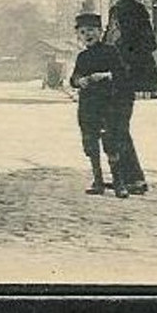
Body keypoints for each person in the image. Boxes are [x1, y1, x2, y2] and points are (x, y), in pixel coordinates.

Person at [103, 0, 154, 195]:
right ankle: (127, 177)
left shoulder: (136, 10)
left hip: (125, 76)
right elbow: (109, 41)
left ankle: (133, 179)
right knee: (116, 126)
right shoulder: (116, 10)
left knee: (118, 126)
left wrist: (126, 57)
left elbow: (148, 42)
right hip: (115, 76)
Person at [68, 11, 129, 197]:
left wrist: (105, 75)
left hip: (108, 104)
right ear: (79, 35)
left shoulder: (110, 51)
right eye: (84, 32)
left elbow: (122, 74)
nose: (88, 35)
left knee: (111, 143)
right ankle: (98, 181)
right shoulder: (82, 57)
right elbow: (74, 78)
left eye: (92, 31)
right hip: (88, 106)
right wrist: (80, 81)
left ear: (101, 31)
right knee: (90, 143)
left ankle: (119, 183)